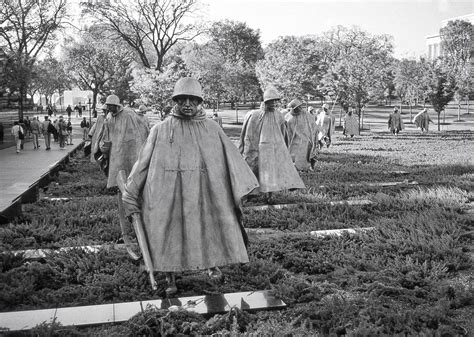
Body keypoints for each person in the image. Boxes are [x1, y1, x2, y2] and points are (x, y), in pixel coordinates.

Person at [121, 77, 259, 295]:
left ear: (199, 102)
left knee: (209, 228)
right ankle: (170, 276)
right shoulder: (161, 129)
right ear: (175, 101)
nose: (187, 104)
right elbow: (143, 163)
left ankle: (212, 265)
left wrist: (242, 187)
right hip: (168, 193)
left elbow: (231, 160)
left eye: (192, 100)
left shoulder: (212, 129)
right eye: (182, 99)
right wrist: (131, 190)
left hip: (205, 192)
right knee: (167, 232)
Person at [99, 94, 149, 260]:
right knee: (124, 196)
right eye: (109, 106)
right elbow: (105, 140)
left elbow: (142, 134)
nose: (110, 109)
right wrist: (103, 149)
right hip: (118, 160)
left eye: (112, 106)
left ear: (116, 105)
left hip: (132, 160)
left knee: (134, 195)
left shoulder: (129, 115)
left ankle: (138, 234)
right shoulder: (109, 118)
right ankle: (128, 234)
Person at [239, 85, 305, 203]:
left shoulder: (279, 115)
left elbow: (283, 133)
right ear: (266, 101)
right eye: (271, 101)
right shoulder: (255, 115)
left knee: (272, 172)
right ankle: (247, 194)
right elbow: (249, 135)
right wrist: (249, 149)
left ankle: (269, 195)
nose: (274, 103)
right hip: (259, 148)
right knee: (252, 169)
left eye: (276, 101)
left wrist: (283, 148)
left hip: (274, 148)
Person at [284, 98, 316, 171]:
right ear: (294, 108)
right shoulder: (288, 116)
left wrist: (311, 136)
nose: (300, 108)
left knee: (303, 154)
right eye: (298, 107)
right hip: (292, 140)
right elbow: (285, 128)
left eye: (301, 106)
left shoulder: (306, 114)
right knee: (293, 154)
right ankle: (293, 168)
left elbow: (312, 125)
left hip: (304, 139)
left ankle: (304, 167)